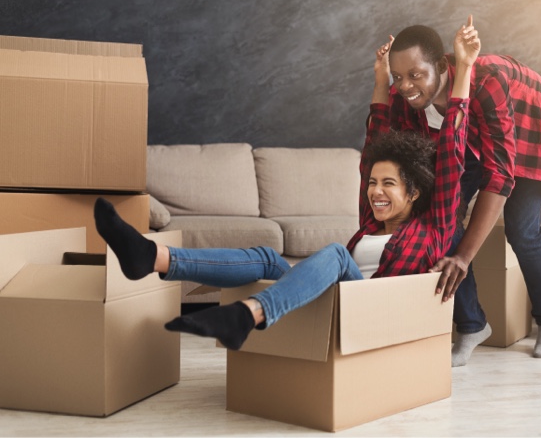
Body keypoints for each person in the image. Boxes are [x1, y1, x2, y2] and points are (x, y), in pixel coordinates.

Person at [93, 19, 480, 351]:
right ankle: (152, 257)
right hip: (337, 301)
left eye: (389, 185)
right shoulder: (370, 222)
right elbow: (374, 141)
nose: (376, 191)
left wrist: (463, 67)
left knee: (335, 255)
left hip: (369, 314)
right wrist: (381, 81)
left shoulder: (435, 227)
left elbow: (452, 149)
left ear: (413, 192)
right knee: (267, 259)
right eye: (373, 183)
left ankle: (249, 315)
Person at [370, 16, 541, 366]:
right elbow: (389, 150)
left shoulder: (486, 82)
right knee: (440, 216)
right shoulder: (406, 97)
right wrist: (383, 81)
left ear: (442, 67)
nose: (406, 85)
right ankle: (472, 325)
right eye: (398, 77)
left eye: (415, 75)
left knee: (522, 230)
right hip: (471, 136)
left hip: (527, 120)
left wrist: (463, 256)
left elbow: (499, 173)